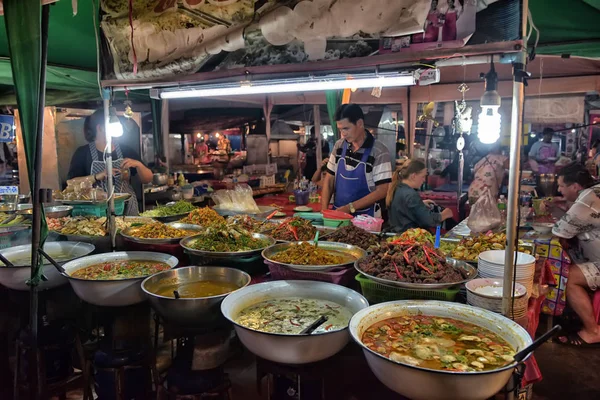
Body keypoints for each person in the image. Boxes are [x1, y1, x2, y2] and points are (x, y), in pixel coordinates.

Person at [67, 109, 152, 215]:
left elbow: (148, 179)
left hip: (127, 210)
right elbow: (70, 183)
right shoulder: (83, 153)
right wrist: (97, 176)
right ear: (100, 128)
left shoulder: (125, 150)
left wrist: (139, 165)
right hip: (97, 212)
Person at [551, 163, 600, 346]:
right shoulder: (594, 191)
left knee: (569, 276)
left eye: (561, 185)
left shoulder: (587, 199)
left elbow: (559, 232)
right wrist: (556, 209)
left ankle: (592, 331)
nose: (558, 189)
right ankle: (575, 313)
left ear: (575, 187)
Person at [321, 104, 392, 217]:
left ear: (359, 123)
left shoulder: (379, 151)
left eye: (346, 128)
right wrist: (324, 212)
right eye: (340, 129)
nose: (343, 134)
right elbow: (329, 179)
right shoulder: (339, 146)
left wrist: (350, 208)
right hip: (338, 215)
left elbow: (382, 190)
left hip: (366, 219)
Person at [387, 159, 454, 232]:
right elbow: (428, 220)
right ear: (413, 176)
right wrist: (444, 214)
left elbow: (404, 207)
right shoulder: (411, 194)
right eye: (422, 176)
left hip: (397, 235)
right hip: (410, 238)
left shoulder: (397, 188)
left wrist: (420, 204)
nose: (424, 180)